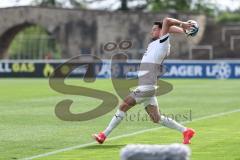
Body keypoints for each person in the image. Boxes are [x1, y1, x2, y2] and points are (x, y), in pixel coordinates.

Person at [93, 17, 196, 144]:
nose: (151, 32)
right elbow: (167, 26)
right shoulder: (155, 43)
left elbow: (167, 21)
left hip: (146, 86)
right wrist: (184, 30)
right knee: (156, 118)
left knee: (123, 105)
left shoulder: (163, 43)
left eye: (154, 30)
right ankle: (186, 131)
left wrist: (183, 24)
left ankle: (103, 135)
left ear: (161, 31)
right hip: (148, 86)